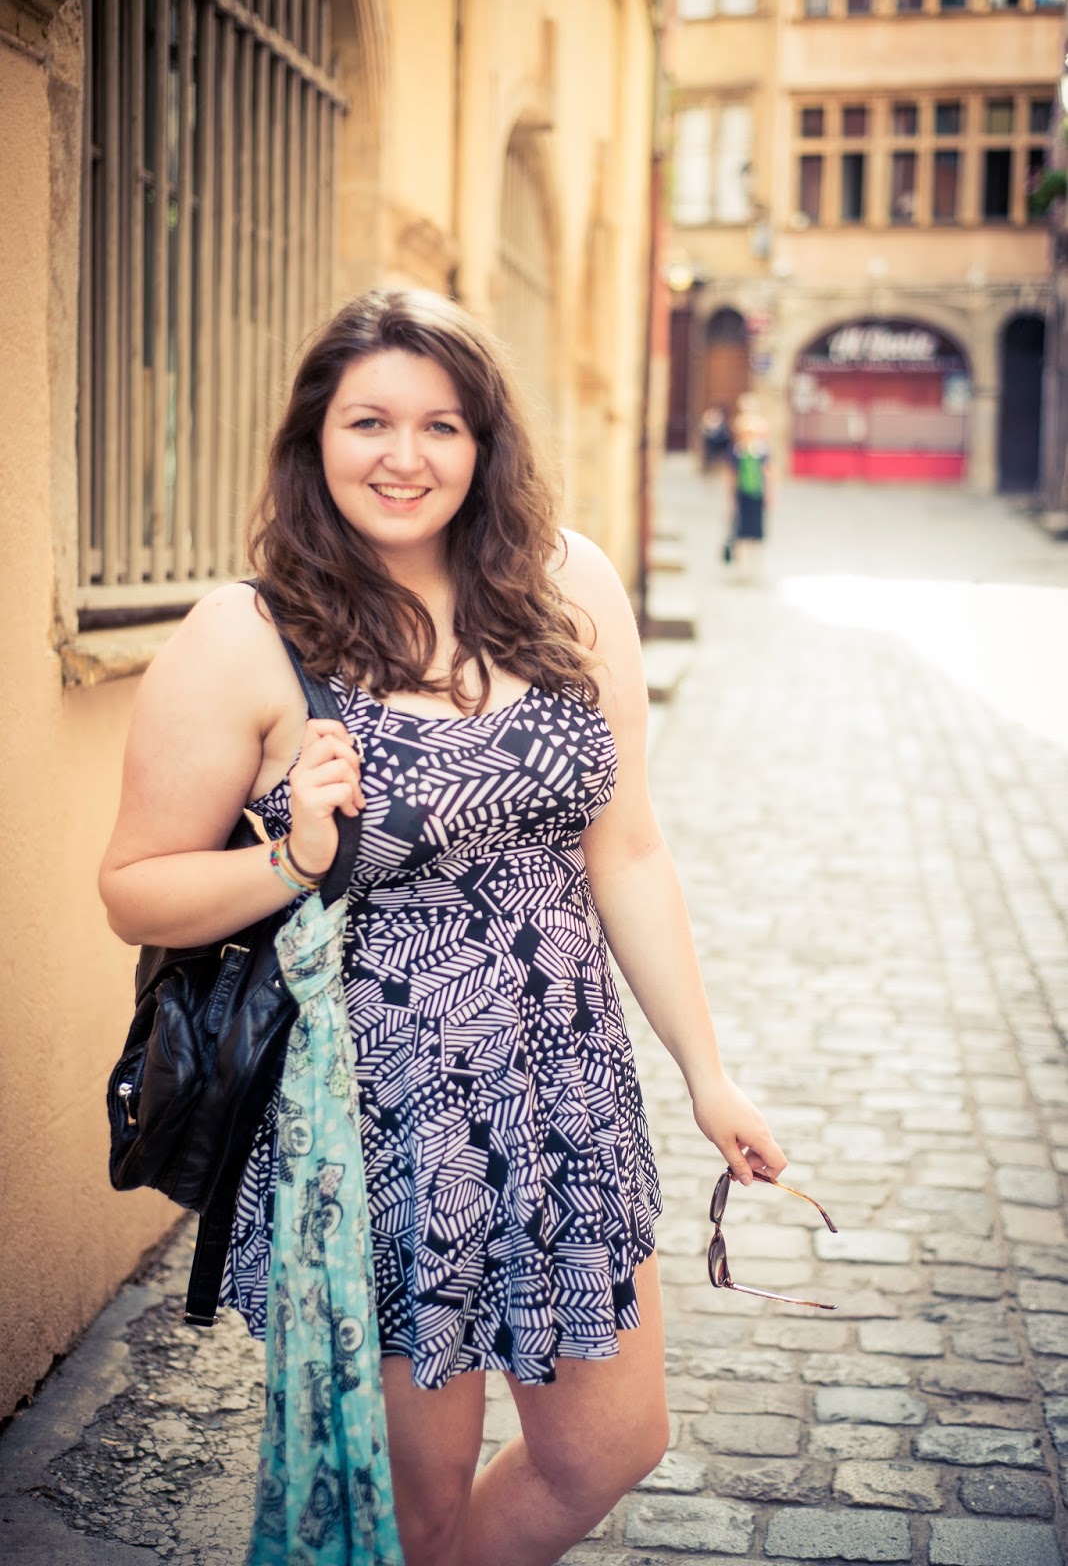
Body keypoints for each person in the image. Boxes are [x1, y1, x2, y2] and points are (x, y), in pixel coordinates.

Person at [99, 288, 787, 1566]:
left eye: (441, 425)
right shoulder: (246, 636)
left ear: (484, 443)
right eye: (368, 422)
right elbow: (134, 886)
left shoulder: (569, 583)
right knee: (407, 1509)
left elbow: (627, 848)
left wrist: (707, 1074)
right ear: (314, 438)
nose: (404, 457)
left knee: (607, 1444)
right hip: (382, 1118)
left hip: (568, 1090)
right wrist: (295, 860)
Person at [726, 398, 772, 581]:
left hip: (756, 496)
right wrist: (730, 500)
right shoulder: (737, 452)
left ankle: (753, 568)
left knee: (756, 533)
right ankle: (742, 568)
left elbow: (768, 474)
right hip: (742, 496)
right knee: (740, 532)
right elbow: (732, 476)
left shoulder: (761, 452)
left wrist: (769, 494)